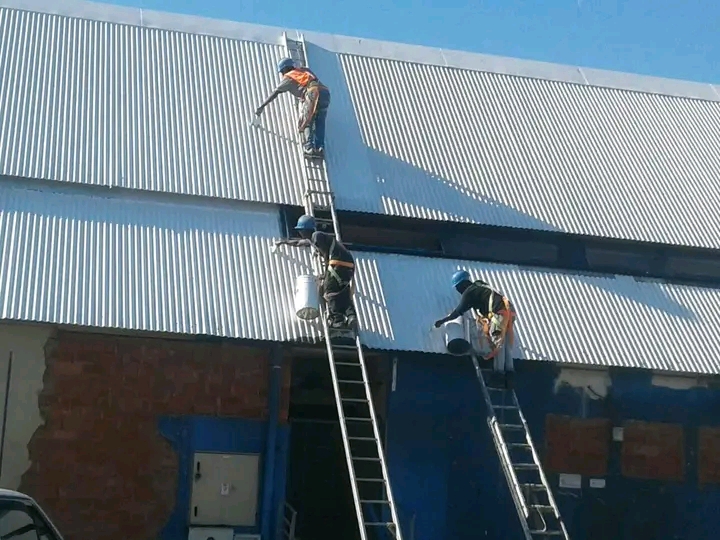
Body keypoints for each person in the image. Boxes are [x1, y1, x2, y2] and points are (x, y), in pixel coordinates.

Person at [434, 270, 517, 387]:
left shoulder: (469, 292)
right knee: (506, 345)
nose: (458, 291)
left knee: (498, 345)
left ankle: (498, 374)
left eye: (458, 288)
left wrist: (442, 321)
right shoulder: (480, 285)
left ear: (462, 284)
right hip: (510, 312)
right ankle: (510, 375)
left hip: (499, 314)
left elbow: (458, 312)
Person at [275, 215, 357, 330]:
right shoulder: (317, 237)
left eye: (301, 230)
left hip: (337, 263)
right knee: (341, 291)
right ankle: (351, 315)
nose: (300, 233)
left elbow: (325, 255)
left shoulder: (316, 236)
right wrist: (284, 242)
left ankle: (337, 320)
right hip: (348, 265)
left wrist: (326, 273)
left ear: (306, 230)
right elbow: (299, 243)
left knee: (329, 290)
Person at [255, 58, 331, 159]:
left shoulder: (289, 77)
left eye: (282, 72)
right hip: (325, 93)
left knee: (306, 121)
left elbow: (275, 93)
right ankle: (320, 147)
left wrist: (261, 107)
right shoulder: (304, 70)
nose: (282, 74)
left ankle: (309, 148)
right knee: (320, 121)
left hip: (313, 92)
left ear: (285, 69)